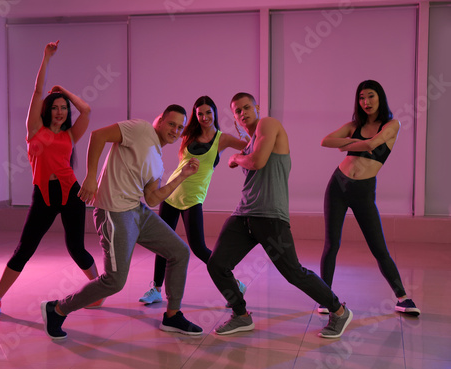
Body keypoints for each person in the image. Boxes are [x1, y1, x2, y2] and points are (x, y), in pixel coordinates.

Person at [41, 105, 205, 340]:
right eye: (171, 123)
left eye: (180, 127)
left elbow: (151, 197)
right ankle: (57, 309)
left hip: (137, 211)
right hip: (114, 211)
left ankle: (172, 315)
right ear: (159, 120)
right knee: (115, 281)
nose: (175, 130)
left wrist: (182, 176)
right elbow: (99, 136)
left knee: (180, 251)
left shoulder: (158, 160)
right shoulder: (140, 129)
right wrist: (90, 176)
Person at [207, 92, 353, 339]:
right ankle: (241, 315)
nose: (243, 113)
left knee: (294, 273)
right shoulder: (252, 139)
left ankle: (339, 311)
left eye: (246, 108)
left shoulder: (268, 124)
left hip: (271, 216)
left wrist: (235, 158)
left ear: (257, 107)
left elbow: (258, 161)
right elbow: (252, 158)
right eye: (237, 111)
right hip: (244, 214)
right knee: (217, 265)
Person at [0, 41, 101, 321]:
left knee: (76, 248)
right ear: (47, 110)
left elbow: (86, 110)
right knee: (24, 249)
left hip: (70, 193)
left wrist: (64, 92)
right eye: (55, 107)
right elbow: (37, 91)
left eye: (63, 108)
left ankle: (97, 290)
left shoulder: (70, 135)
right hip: (43, 195)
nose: (60, 111)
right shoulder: (34, 130)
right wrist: (46, 58)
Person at [319, 80, 420, 316]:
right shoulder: (353, 125)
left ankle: (403, 298)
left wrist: (345, 144)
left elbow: (374, 142)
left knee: (378, 247)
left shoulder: (392, 124)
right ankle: (325, 298)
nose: (366, 102)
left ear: (380, 97)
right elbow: (325, 141)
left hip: (363, 190)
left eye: (371, 96)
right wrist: (355, 142)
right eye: (362, 98)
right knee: (332, 244)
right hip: (338, 185)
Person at [138, 96, 249, 305]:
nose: (204, 117)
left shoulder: (221, 139)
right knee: (164, 242)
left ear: (215, 113)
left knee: (198, 247)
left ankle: (233, 282)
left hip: (193, 198)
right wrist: (164, 119)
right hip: (171, 193)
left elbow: (251, 146)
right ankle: (156, 289)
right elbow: (157, 125)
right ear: (195, 115)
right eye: (200, 113)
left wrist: (243, 137)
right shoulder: (187, 133)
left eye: (208, 112)